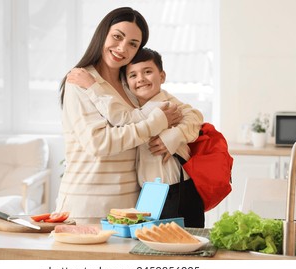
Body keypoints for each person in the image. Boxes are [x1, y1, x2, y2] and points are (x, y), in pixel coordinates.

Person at [56, 7, 183, 224]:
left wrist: (174, 135)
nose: (122, 48)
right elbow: (99, 144)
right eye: (117, 36)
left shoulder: (132, 84)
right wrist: (155, 124)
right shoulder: (81, 81)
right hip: (87, 206)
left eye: (133, 44)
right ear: (103, 34)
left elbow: (178, 114)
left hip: (130, 207)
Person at [73, 47, 205, 227]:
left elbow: (195, 117)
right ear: (126, 82)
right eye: (133, 75)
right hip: (152, 194)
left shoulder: (166, 104)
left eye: (148, 72)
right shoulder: (138, 107)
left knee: (179, 247)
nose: (141, 79)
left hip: (175, 192)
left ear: (162, 76)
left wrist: (174, 136)